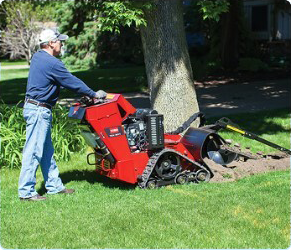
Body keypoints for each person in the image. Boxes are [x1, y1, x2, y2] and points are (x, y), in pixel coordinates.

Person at [18, 29, 107, 201]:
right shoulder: (52, 63)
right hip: (38, 110)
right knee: (34, 151)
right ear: (51, 43)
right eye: (59, 41)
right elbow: (71, 81)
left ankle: (54, 186)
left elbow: (56, 81)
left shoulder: (37, 57)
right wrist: (93, 94)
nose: (62, 44)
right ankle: (26, 192)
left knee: (46, 151)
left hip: (36, 108)